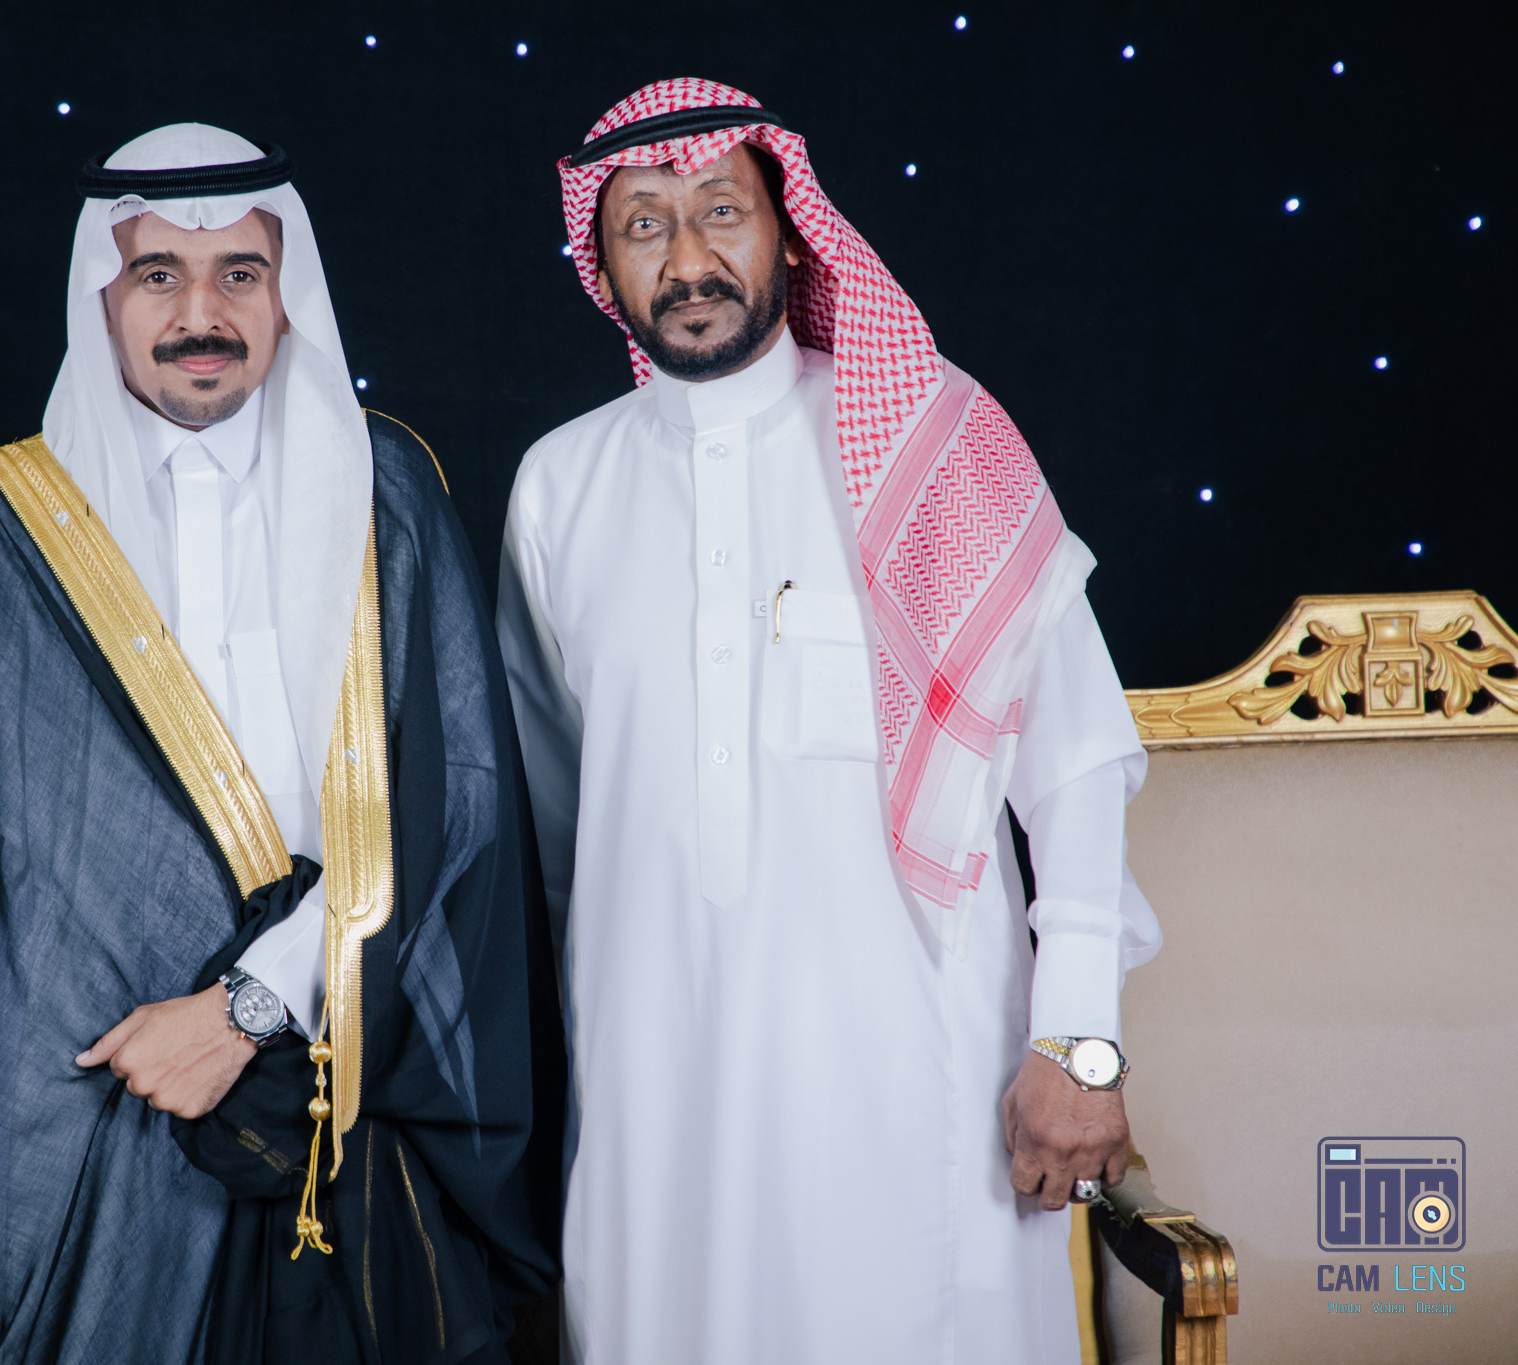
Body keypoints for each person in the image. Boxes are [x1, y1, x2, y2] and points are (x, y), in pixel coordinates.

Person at [0, 123, 560, 1365]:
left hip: (340, 1083)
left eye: (240, 272)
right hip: (75, 1120)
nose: (200, 314)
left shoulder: (385, 485)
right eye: (157, 274)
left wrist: (250, 1005)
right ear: (102, 298)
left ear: (287, 295)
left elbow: (462, 802)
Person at [496, 80, 1162, 1362]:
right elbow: (553, 825)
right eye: (642, 226)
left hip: (916, 1085)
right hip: (653, 1094)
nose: (686, 259)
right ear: (601, 265)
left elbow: (1075, 763)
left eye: (718, 212)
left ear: (790, 233)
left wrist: (1078, 1042)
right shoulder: (557, 488)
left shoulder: (934, 442)